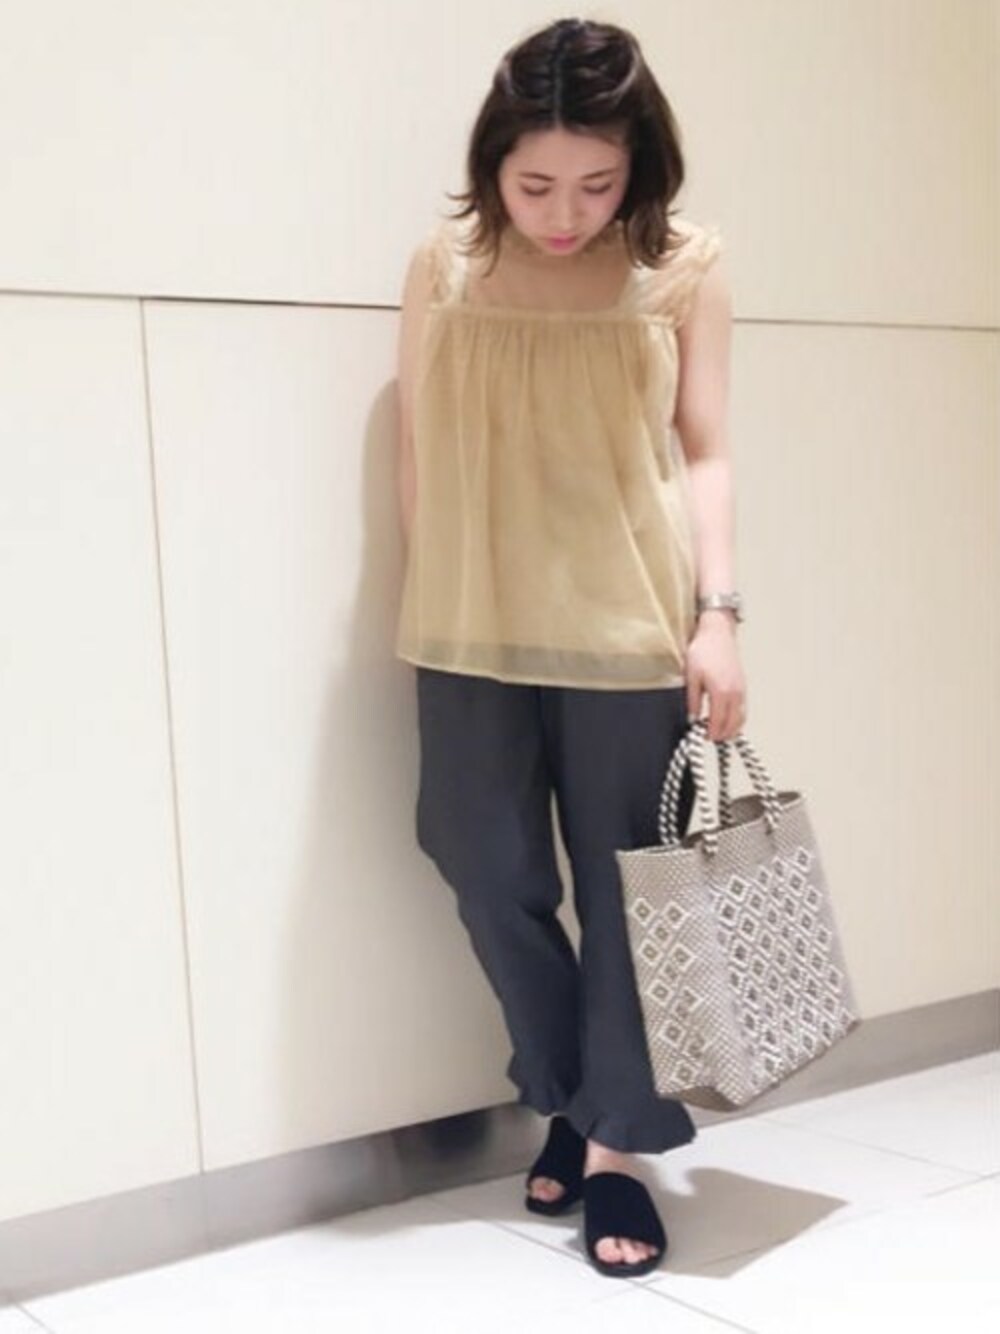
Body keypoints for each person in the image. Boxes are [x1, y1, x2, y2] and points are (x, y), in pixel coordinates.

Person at [394, 16, 746, 1278]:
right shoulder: (444, 265)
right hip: (469, 624)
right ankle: (574, 1085)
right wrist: (431, 593)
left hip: (629, 624)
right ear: (492, 160)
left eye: (596, 185)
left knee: (627, 890)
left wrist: (719, 614)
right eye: (534, 183)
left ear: (638, 166)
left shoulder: (681, 267)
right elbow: (419, 441)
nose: (563, 213)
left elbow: (703, 448)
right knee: (481, 861)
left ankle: (612, 1150)